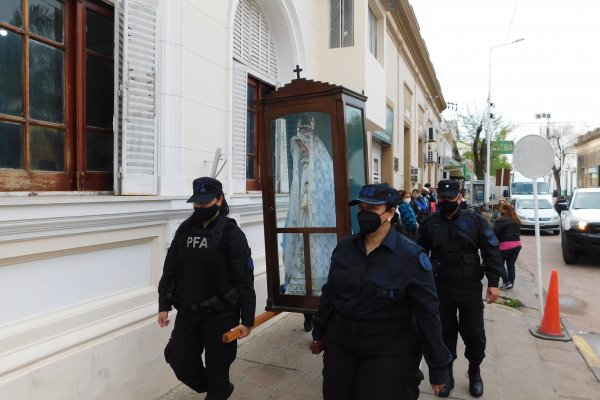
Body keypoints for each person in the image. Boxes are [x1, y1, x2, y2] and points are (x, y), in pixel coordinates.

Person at [311, 183, 452, 400]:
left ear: (391, 213)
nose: (364, 214)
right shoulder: (345, 248)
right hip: (342, 342)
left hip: (389, 346)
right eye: (361, 209)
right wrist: (319, 332)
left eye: (372, 209)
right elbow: (331, 293)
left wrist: (438, 366)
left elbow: (427, 314)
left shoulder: (410, 257)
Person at [157, 177, 256, 400]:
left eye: (205, 202)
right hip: (188, 313)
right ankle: (217, 387)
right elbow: (170, 269)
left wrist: (247, 320)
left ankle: (217, 389)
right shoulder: (184, 230)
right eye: (197, 203)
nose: (200, 207)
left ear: (219, 200)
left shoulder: (231, 234)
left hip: (221, 315)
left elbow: (244, 279)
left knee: (217, 370)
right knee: (178, 359)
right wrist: (163, 305)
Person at [418, 180, 504, 398]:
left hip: (469, 288)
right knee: (444, 335)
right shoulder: (429, 223)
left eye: (450, 197)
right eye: (442, 198)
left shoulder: (475, 221)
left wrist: (493, 283)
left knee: (475, 334)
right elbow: (417, 254)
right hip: (440, 288)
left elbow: (491, 250)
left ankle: (474, 371)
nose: (446, 201)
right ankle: (446, 374)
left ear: (459, 197)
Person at [281, 114, 337, 331]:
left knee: (317, 270)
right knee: (301, 267)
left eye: (305, 147)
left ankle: (320, 315)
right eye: (300, 147)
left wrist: (311, 196)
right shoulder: (299, 168)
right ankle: (306, 312)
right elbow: (295, 197)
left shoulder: (324, 168)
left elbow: (327, 197)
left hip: (318, 226)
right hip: (302, 222)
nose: (303, 151)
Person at [493, 203, 522, 290]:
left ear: (504, 211)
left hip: (505, 245)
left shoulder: (501, 220)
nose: (500, 212)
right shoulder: (517, 220)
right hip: (517, 245)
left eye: (501, 211)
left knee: (499, 264)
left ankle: (506, 282)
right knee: (511, 265)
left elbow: (494, 233)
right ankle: (510, 284)